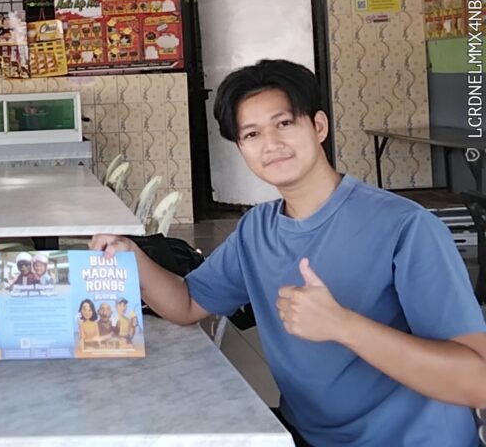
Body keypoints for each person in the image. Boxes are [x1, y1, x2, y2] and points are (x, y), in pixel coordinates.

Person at [92, 60, 486, 446]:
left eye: (283, 123)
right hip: (306, 435)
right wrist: (132, 257)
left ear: (318, 126)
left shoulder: (406, 227)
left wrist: (343, 326)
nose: (271, 144)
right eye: (251, 134)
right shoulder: (256, 229)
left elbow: (477, 382)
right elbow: (188, 303)